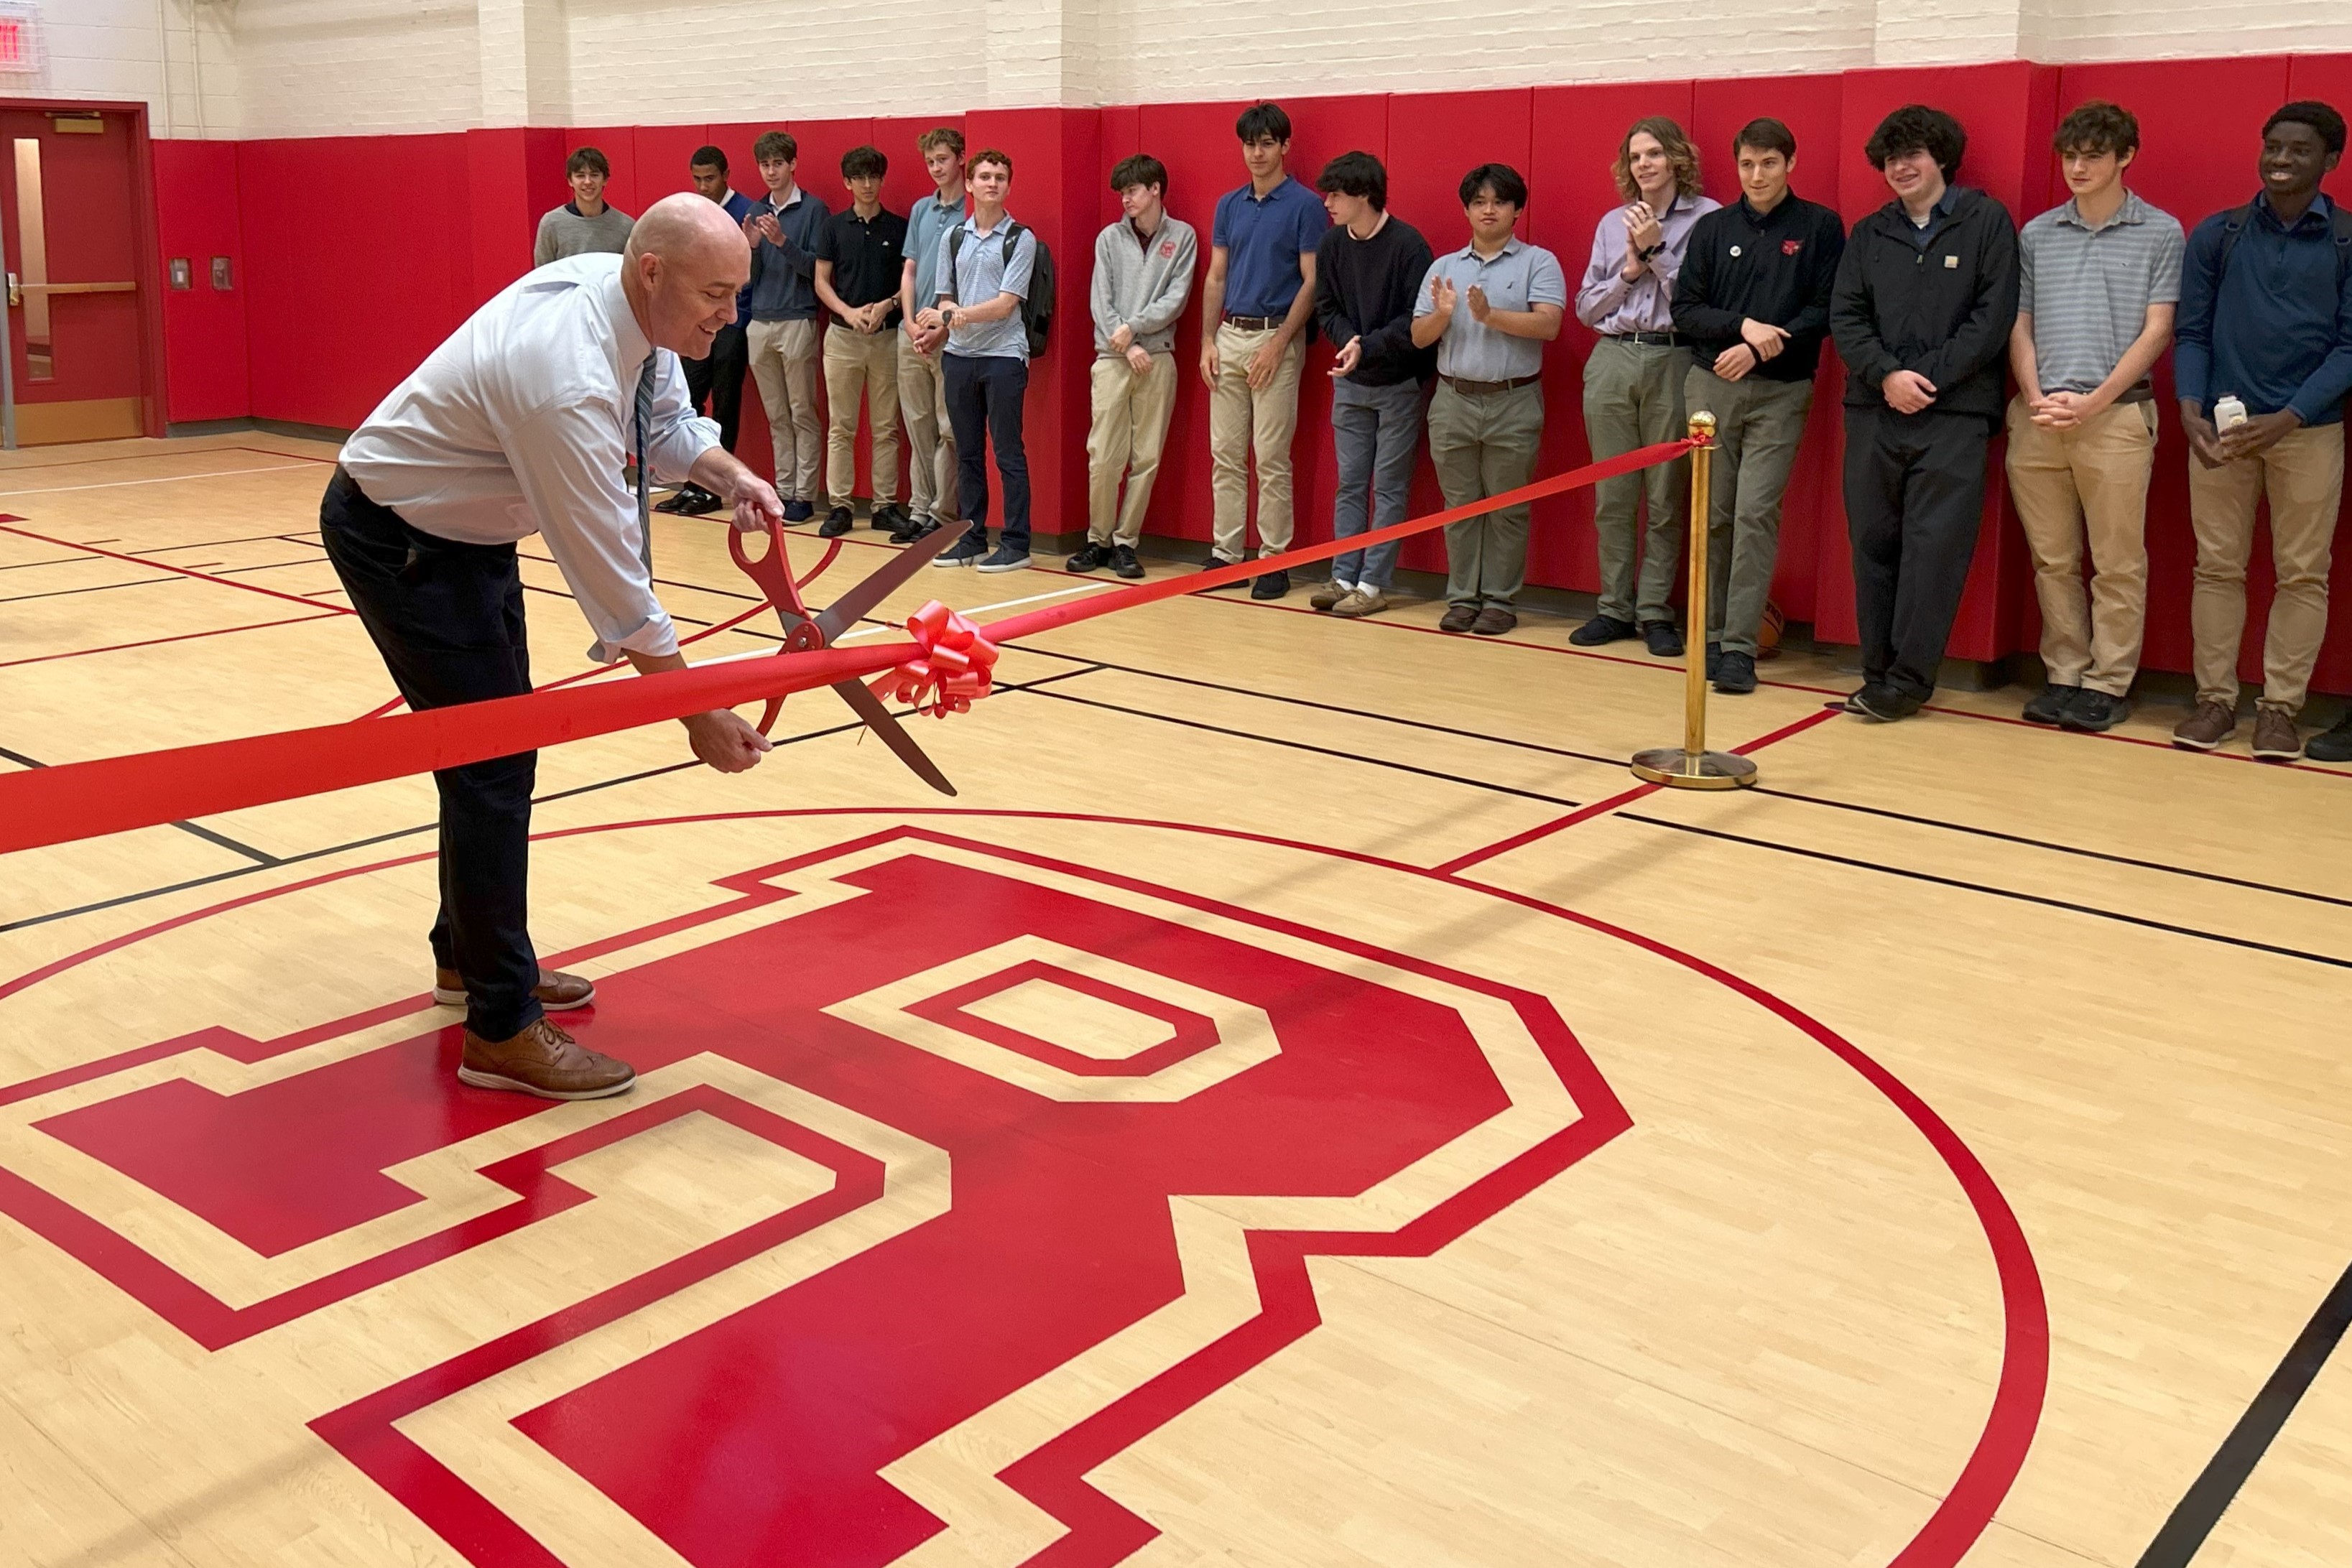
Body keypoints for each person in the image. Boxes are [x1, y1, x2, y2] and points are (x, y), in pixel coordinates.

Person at [324, 195, 779, 1100]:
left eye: (737, 293)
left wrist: (729, 472)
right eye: (716, 294)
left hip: (468, 534)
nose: (730, 315)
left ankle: (471, 956)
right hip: (402, 540)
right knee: (493, 766)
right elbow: (614, 582)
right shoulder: (564, 376)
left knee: (491, 758)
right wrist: (697, 713)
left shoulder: (633, 317)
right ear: (651, 271)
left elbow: (663, 429)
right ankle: (499, 1026)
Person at [2174, 100, 2352, 762]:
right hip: (2222, 432)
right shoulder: (2218, 234)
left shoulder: (2346, 241)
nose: (2281, 160)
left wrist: (2291, 416)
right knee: (2216, 567)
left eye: (2298, 150)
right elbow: (2191, 331)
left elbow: (2349, 347)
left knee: (2303, 573)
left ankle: (2279, 712)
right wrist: (2190, 405)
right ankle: (2214, 701)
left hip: (2308, 432)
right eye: (2272, 146)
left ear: (2330, 161)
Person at [1828, 106, 2020, 721]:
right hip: (1874, 410)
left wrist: (1925, 379)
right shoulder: (1868, 233)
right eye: (1890, 159)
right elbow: (1847, 318)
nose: (1900, 168)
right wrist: (1887, 375)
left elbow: (1991, 320)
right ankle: (1876, 673)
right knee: (1873, 543)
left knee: (1935, 551)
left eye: (1912, 155)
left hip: (1955, 414)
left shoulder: (1986, 221)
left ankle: (1909, 683)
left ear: (1941, 158)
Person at [2006, 101, 2182, 733]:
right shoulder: (2036, 234)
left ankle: (2109, 681)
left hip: (2116, 418)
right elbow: (2020, 323)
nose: (2077, 168)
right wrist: (2033, 395)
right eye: (2069, 156)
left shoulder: (2161, 232)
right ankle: (2064, 672)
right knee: (2052, 558)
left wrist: (2096, 400)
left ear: (2125, 158)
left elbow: (2158, 330)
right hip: (2039, 415)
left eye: (2092, 156)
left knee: (2117, 560)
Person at [1672, 118, 1846, 695]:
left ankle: (1741, 647)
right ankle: (1712, 636)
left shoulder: (1820, 226)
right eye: (1747, 164)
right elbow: (1687, 308)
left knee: (1754, 515)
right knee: (1713, 516)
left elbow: (1827, 311)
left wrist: (1763, 349)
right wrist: (1741, 330)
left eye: (1769, 163)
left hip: (1782, 390)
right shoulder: (1714, 228)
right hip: (1712, 384)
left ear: (1790, 163)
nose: (1757, 175)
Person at [1573, 116, 1720, 657]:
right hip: (1613, 356)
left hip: (1674, 357)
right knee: (1613, 494)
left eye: (1655, 153)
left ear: (1678, 158)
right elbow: (1587, 307)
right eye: (1636, 157)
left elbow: (1702, 301)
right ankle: (1613, 605)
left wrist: (1657, 254)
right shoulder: (1612, 223)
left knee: (1665, 494)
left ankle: (1655, 610)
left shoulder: (1709, 220)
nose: (1645, 165)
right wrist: (1629, 271)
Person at [1413, 164, 1567, 636]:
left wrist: (1490, 315)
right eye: (1479, 201)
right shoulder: (1444, 267)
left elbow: (1550, 325)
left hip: (1512, 400)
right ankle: (1462, 597)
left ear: (1517, 209)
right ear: (1466, 209)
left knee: (1507, 507)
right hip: (1453, 399)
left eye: (1499, 201)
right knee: (1459, 505)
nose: (1488, 209)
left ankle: (1500, 600)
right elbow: (1420, 337)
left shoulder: (1538, 262)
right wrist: (1442, 316)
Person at [1200, 102, 1328, 598]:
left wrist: (1280, 343)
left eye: (1267, 143)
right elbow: (1216, 276)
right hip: (1230, 335)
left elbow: (1312, 281)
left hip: (1276, 336)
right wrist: (1207, 339)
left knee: (1271, 455)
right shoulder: (1229, 205)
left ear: (1284, 147)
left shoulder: (1305, 205)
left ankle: (1274, 559)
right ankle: (1227, 555)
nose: (1258, 152)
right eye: (1250, 144)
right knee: (1225, 455)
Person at [1311, 151, 1435, 618]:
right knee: (1350, 483)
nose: (1329, 202)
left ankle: (1373, 582)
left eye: (1337, 194)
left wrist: (1370, 346)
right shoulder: (1332, 245)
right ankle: (1343, 574)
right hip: (1350, 381)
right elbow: (1326, 307)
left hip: (1399, 383)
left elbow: (1415, 319)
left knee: (1388, 485)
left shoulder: (1409, 246)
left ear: (1364, 195)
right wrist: (1349, 343)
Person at [1075, 153, 1198, 581]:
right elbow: (1099, 299)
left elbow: (1175, 299)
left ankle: (1127, 542)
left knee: (1147, 455)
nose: (1125, 199)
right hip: (1112, 357)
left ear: (1155, 190)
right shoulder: (1109, 238)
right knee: (1103, 455)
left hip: (1158, 356)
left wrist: (1136, 329)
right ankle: (1098, 540)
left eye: (1131, 190)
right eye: (1122, 192)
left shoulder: (1182, 237)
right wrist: (1125, 343)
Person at [916, 147, 1037, 573]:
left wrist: (953, 316)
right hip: (959, 357)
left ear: (1008, 185)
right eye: (984, 176)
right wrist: (940, 330)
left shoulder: (1021, 238)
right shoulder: (954, 237)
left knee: (1007, 451)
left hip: (1003, 357)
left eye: (1000, 178)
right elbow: (945, 296)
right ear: (969, 184)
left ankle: (1017, 542)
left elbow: (1006, 305)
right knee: (966, 453)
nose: (991, 183)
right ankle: (971, 538)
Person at [813, 144, 909, 540]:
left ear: (882, 180)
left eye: (874, 177)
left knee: (886, 426)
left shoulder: (899, 227)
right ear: (847, 183)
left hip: (886, 338)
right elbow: (821, 280)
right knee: (842, 426)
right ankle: (840, 506)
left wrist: (887, 306)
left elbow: (910, 284)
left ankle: (885, 506)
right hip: (842, 337)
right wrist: (850, 313)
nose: (867, 185)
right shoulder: (834, 228)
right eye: (859, 178)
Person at [659, 145, 756, 517]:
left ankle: (713, 489)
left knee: (726, 403)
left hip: (733, 322)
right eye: (697, 179)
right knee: (689, 398)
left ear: (726, 174)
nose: (703, 186)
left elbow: (752, 275)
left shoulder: (746, 210)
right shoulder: (694, 214)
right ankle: (691, 484)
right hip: (696, 321)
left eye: (710, 179)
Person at [741, 131, 830, 526]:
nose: (771, 171)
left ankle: (804, 495)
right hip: (760, 322)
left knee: (801, 411)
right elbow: (747, 279)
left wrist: (780, 242)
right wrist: (753, 248)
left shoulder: (814, 210)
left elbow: (816, 270)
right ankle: (783, 488)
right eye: (765, 165)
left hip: (797, 319)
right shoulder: (756, 209)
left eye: (778, 163)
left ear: (793, 164)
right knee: (776, 414)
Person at [897, 129, 967, 547]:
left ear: (961, 159)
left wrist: (941, 327)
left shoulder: (970, 211)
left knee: (948, 429)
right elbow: (910, 270)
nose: (937, 168)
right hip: (912, 333)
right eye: (930, 162)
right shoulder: (922, 210)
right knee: (917, 426)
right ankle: (919, 510)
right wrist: (908, 321)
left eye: (943, 159)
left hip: (949, 336)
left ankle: (943, 514)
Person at [534, 147, 633, 266]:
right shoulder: (551, 223)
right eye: (580, 176)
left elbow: (630, 276)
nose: (587, 182)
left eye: (594, 175)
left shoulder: (626, 226)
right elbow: (542, 275)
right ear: (570, 180)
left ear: (605, 179)